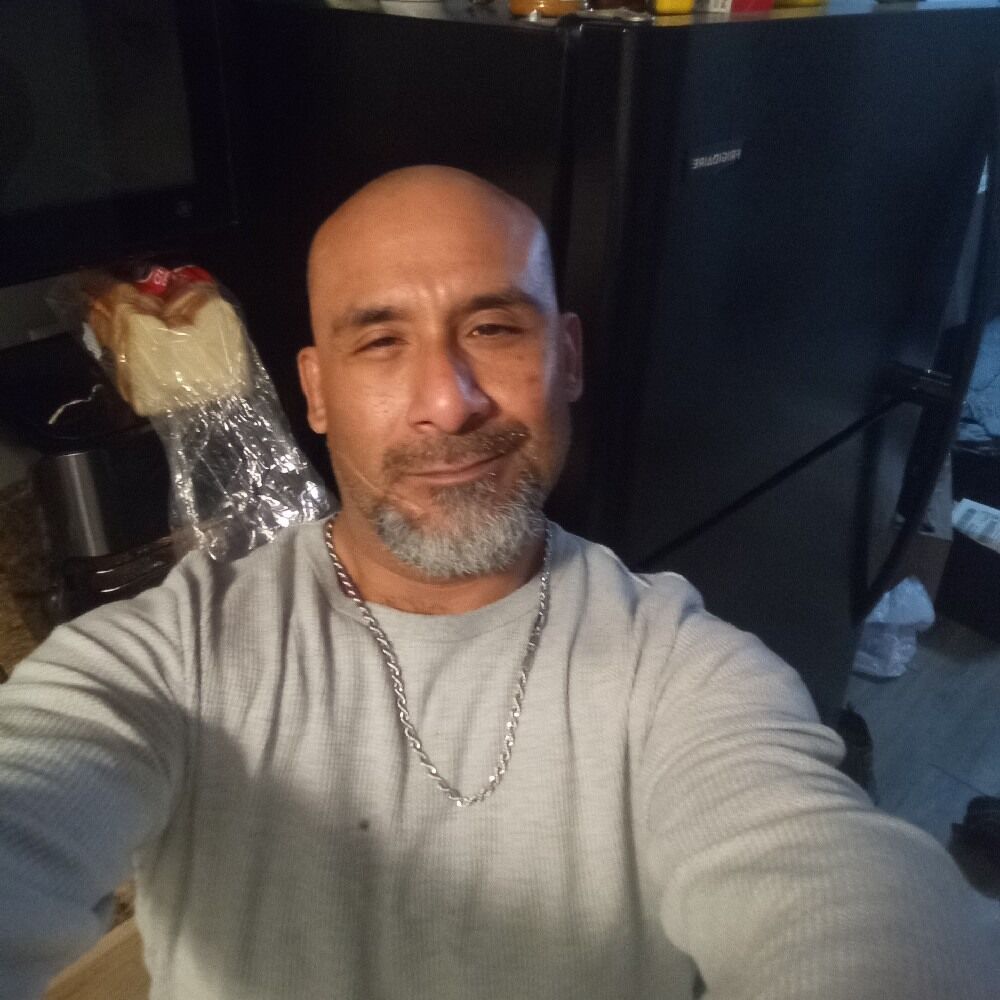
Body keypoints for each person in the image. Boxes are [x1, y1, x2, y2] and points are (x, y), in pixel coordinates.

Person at [0, 166, 994, 1000]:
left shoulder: (685, 675)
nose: (448, 401)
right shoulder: (172, 658)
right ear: (315, 391)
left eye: (494, 329)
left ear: (568, 357)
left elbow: (834, 891)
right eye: (380, 340)